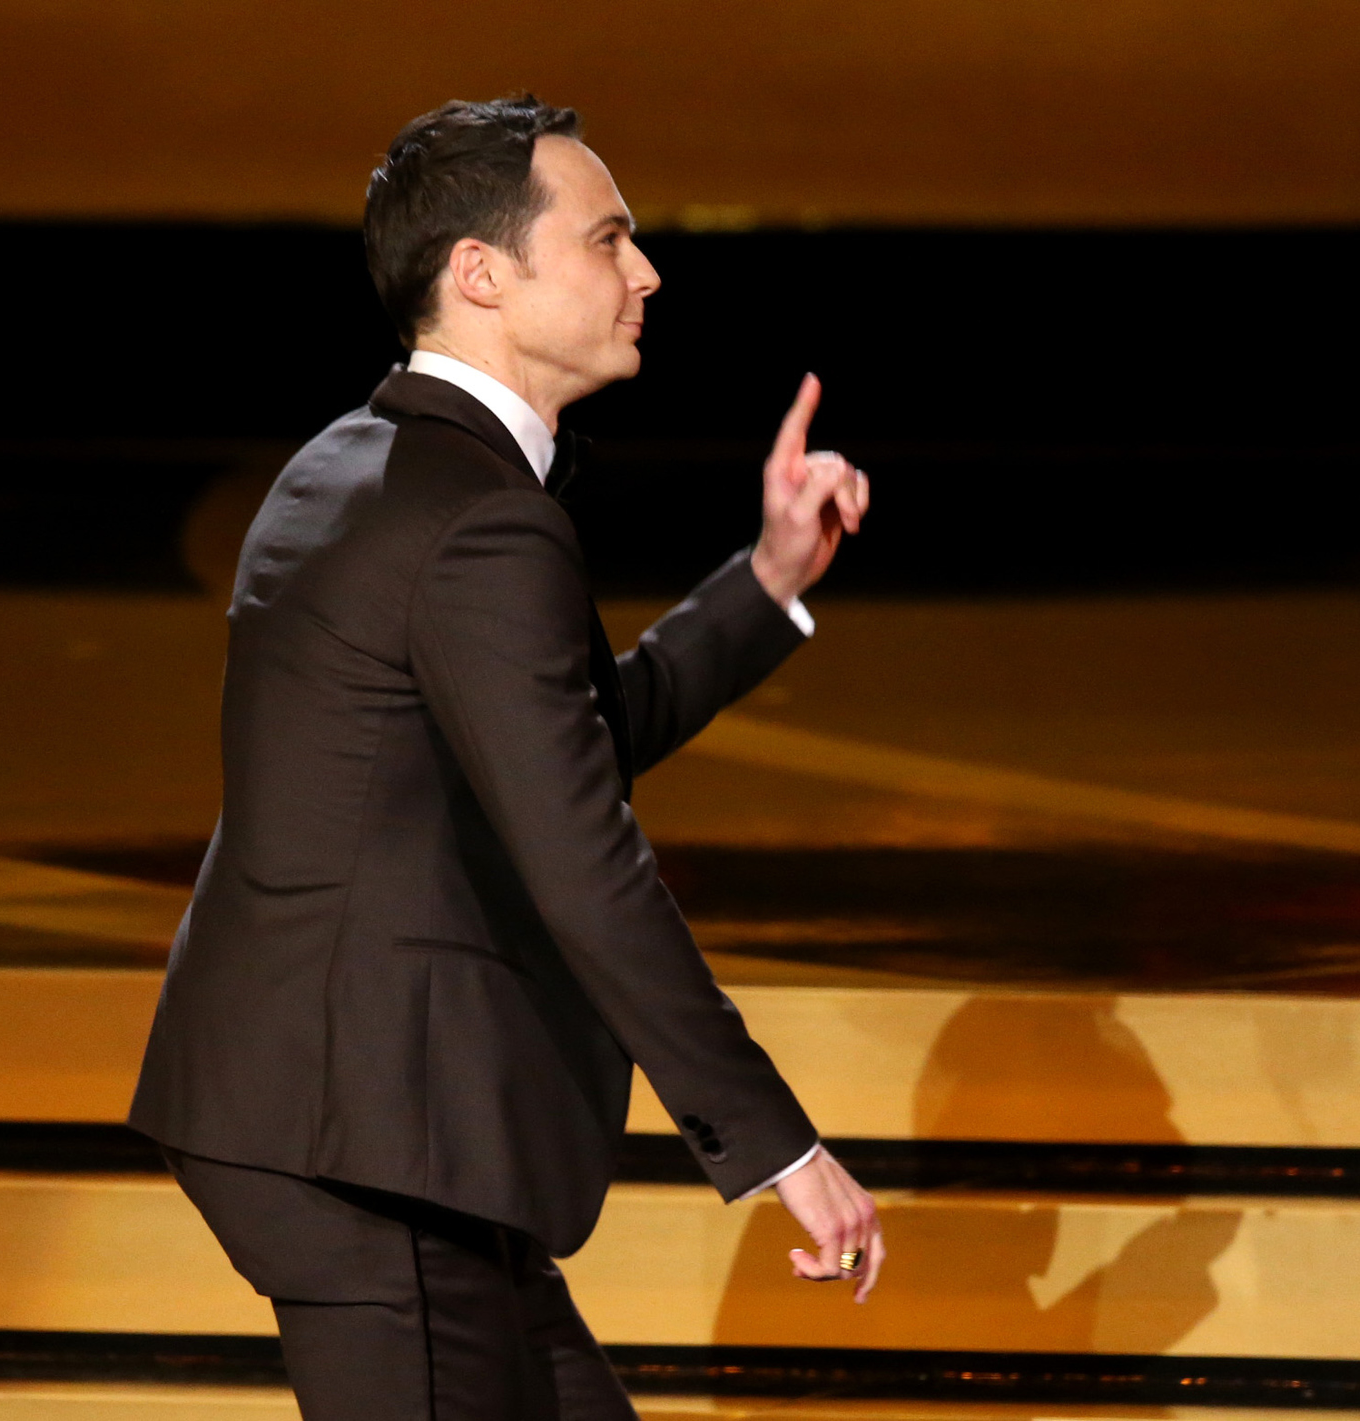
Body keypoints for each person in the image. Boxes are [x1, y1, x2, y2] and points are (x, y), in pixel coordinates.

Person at [128, 93, 882, 1421]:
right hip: (368, 1145)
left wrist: (767, 582)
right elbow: (588, 862)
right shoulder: (478, 520)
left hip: (366, 1127)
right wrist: (776, 1147)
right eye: (607, 238)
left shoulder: (360, 467)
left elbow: (564, 748)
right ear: (480, 274)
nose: (646, 271)